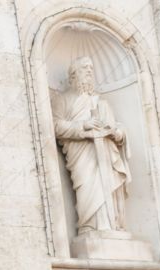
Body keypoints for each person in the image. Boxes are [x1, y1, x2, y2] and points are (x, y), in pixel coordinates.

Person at [51, 56, 131, 233]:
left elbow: (116, 127)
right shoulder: (63, 99)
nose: (89, 71)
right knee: (88, 187)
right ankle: (90, 226)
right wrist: (83, 126)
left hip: (105, 154)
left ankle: (113, 225)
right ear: (73, 75)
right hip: (82, 154)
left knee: (109, 185)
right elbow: (56, 125)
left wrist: (115, 132)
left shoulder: (101, 103)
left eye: (91, 68)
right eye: (84, 68)